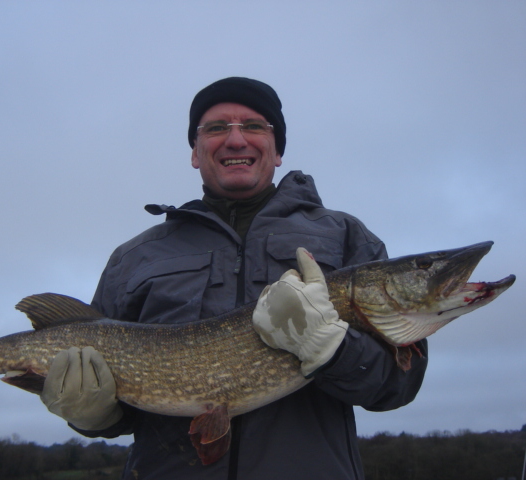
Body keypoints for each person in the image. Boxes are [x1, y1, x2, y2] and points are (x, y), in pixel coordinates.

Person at [39, 77, 428, 479]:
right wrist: (93, 417)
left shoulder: (345, 237)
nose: (236, 140)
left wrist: (334, 349)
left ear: (278, 151)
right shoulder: (135, 257)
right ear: (195, 152)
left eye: (254, 126)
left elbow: (398, 384)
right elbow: (121, 404)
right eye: (216, 128)